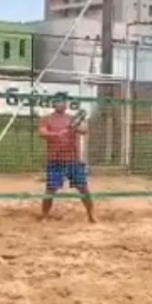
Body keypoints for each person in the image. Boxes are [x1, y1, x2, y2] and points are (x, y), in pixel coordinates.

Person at [38, 94, 95, 222]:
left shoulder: (71, 118)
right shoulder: (46, 119)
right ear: (53, 104)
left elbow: (84, 130)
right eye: (58, 102)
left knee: (83, 188)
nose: (62, 104)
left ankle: (91, 216)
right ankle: (44, 216)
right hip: (55, 160)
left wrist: (77, 126)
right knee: (50, 190)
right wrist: (56, 134)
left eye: (64, 102)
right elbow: (42, 133)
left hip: (73, 160)